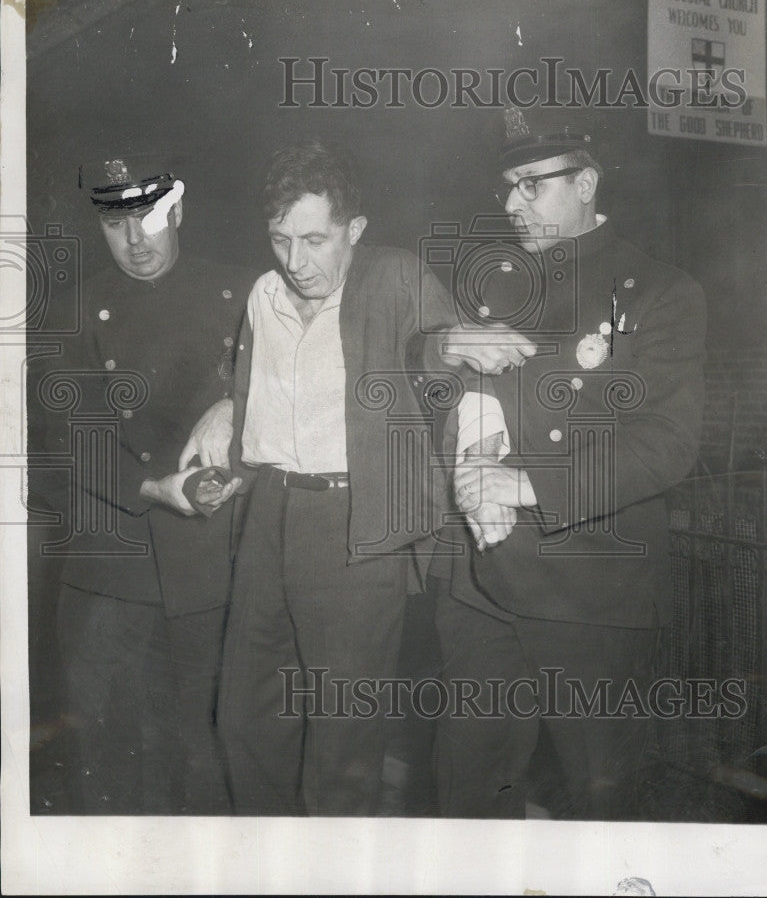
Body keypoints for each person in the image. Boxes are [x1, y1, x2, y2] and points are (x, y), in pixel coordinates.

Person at [213, 138, 534, 816]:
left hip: (354, 525)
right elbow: (248, 391)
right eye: (280, 240)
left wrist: (479, 461)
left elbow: (448, 360)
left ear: (354, 230)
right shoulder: (262, 294)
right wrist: (222, 420)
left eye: (314, 240)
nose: (295, 261)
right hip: (267, 514)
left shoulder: (394, 278)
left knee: (342, 741)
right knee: (246, 720)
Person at [433, 107, 707, 819]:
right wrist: (445, 353)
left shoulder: (661, 293)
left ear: (586, 182)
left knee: (600, 804)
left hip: (592, 596)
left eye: (530, 184)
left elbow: (667, 444)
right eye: (506, 187)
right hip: (485, 586)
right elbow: (437, 380)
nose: (512, 202)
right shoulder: (494, 288)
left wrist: (523, 484)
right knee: (468, 799)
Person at [34, 154, 254, 813]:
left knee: (207, 753)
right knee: (109, 758)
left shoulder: (247, 295)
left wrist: (235, 411)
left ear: (179, 209)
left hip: (214, 571)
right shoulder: (72, 313)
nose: (135, 241)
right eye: (115, 224)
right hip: (111, 573)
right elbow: (66, 440)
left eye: (151, 218)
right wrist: (152, 486)